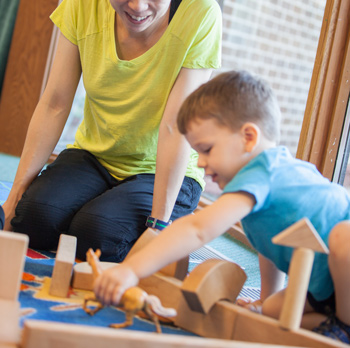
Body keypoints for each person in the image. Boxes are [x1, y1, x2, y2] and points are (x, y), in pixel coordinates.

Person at [2, 0, 222, 262]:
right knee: (33, 218)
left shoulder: (201, 15)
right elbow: (56, 102)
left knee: (97, 234)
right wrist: (12, 199)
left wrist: (159, 228)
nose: (138, 6)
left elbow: (175, 126)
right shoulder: (83, 2)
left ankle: (117, 215)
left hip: (160, 169)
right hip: (94, 156)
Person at [93, 70, 350, 344]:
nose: (201, 163)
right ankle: (336, 325)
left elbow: (198, 229)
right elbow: (269, 246)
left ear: (248, 137)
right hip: (323, 290)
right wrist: (264, 300)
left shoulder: (264, 173)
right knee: (270, 311)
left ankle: (343, 325)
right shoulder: (255, 194)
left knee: (343, 238)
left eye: (206, 149)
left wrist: (131, 269)